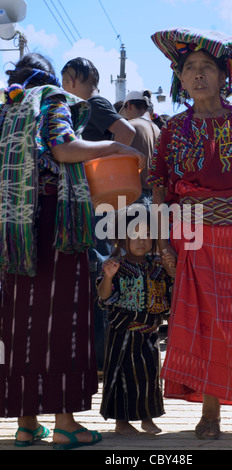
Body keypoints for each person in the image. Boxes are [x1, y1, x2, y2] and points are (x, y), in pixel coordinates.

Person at [0, 52, 145, 450]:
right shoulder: (52, 98)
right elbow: (63, 148)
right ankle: (66, 423)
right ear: (50, 77)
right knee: (63, 315)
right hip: (54, 224)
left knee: (21, 322)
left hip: (15, 231)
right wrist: (112, 151)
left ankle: (26, 424)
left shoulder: (7, 109)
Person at [148, 28, 232, 440]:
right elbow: (160, 187)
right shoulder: (172, 130)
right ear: (181, 79)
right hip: (193, 233)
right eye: (190, 68)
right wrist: (160, 241)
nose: (199, 74)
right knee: (205, 323)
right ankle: (210, 414)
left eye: (207, 66)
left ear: (224, 75)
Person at [61, 57, 136, 377]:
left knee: (100, 269)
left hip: (94, 198)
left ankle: (103, 358)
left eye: (68, 79)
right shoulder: (72, 108)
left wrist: (102, 160)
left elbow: (127, 132)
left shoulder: (93, 102)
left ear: (72, 79)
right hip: (83, 199)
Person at [96, 207, 175, 436]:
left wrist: (172, 269)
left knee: (149, 375)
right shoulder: (115, 266)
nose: (142, 240)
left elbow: (172, 288)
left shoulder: (157, 267)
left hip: (150, 330)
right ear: (122, 238)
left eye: (148, 234)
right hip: (123, 331)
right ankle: (121, 421)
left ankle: (147, 417)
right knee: (122, 375)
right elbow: (103, 296)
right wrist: (109, 277)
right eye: (136, 235)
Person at [120, 90, 161, 200]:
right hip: (155, 197)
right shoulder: (159, 130)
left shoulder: (130, 127)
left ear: (128, 105)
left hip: (134, 195)